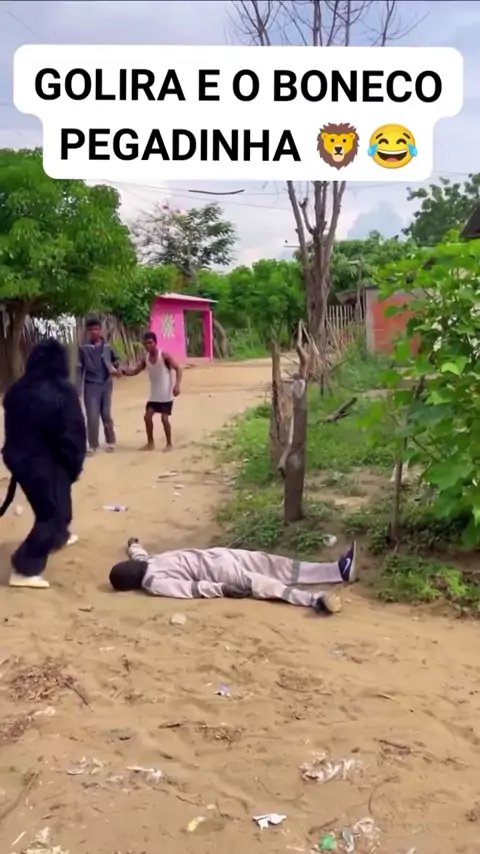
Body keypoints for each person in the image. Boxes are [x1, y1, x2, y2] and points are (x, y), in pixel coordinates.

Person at [1, 339, 87, 589]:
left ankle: (58, 537)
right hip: (44, 463)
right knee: (53, 515)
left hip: (18, 459)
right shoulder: (62, 391)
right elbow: (73, 435)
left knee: (55, 505)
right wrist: (72, 468)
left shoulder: (16, 390)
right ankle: (25, 567)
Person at [109, 538, 358, 613]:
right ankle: (315, 599)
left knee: (278, 565)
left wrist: (133, 544)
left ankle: (337, 570)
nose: (133, 564)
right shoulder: (155, 583)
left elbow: (139, 554)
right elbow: (191, 589)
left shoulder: (145, 563)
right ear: (132, 581)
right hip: (221, 573)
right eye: (130, 568)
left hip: (221, 556)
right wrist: (222, 589)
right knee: (268, 585)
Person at [122, 331, 182, 451]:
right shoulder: (146, 359)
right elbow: (135, 371)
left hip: (166, 395)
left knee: (164, 419)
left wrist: (177, 385)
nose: (148, 345)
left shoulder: (164, 356)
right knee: (147, 417)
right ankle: (150, 443)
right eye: (145, 344)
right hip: (154, 396)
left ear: (155, 343)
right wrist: (124, 372)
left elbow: (178, 369)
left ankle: (169, 444)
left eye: (150, 343)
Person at [77, 316, 121, 455]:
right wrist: (77, 389)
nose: (94, 332)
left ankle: (111, 441)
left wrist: (117, 369)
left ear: (101, 330)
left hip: (106, 384)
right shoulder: (83, 349)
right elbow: (79, 370)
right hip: (91, 385)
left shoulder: (107, 347)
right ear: (87, 331)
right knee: (92, 415)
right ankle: (92, 445)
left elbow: (117, 360)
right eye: (91, 330)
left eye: (96, 329)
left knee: (106, 414)